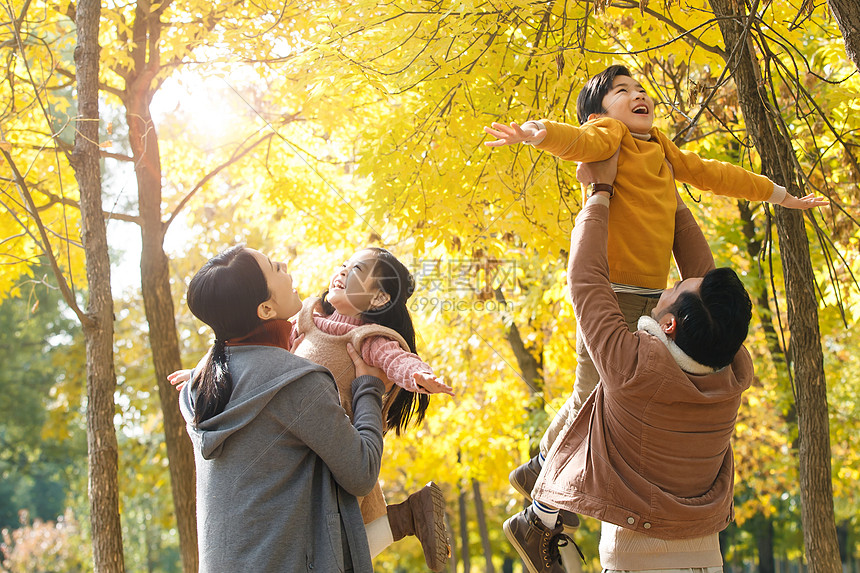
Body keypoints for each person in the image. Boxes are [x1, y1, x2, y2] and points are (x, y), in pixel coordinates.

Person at [483, 64, 827, 527]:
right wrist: (534, 133)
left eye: (640, 88)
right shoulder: (610, 136)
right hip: (612, 291)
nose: (637, 94)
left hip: (656, 296)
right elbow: (578, 143)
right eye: (622, 91)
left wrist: (778, 196)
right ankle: (544, 468)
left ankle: (542, 469)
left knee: (616, 394)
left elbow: (714, 173)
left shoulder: (661, 146)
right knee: (593, 395)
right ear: (600, 113)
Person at [502, 151, 758, 573]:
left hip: (635, 559)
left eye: (676, 287)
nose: (673, 282)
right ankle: (543, 494)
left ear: (670, 324)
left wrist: (599, 192)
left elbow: (587, 279)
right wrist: (666, 196)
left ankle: (544, 498)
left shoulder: (631, 366)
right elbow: (706, 287)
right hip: (704, 555)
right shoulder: (732, 372)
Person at [172, 246, 453, 571]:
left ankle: (405, 518)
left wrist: (416, 374)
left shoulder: (200, 387)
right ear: (265, 308)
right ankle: (406, 518)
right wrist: (369, 389)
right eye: (274, 267)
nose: (284, 264)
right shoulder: (295, 380)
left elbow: (396, 359)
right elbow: (361, 474)